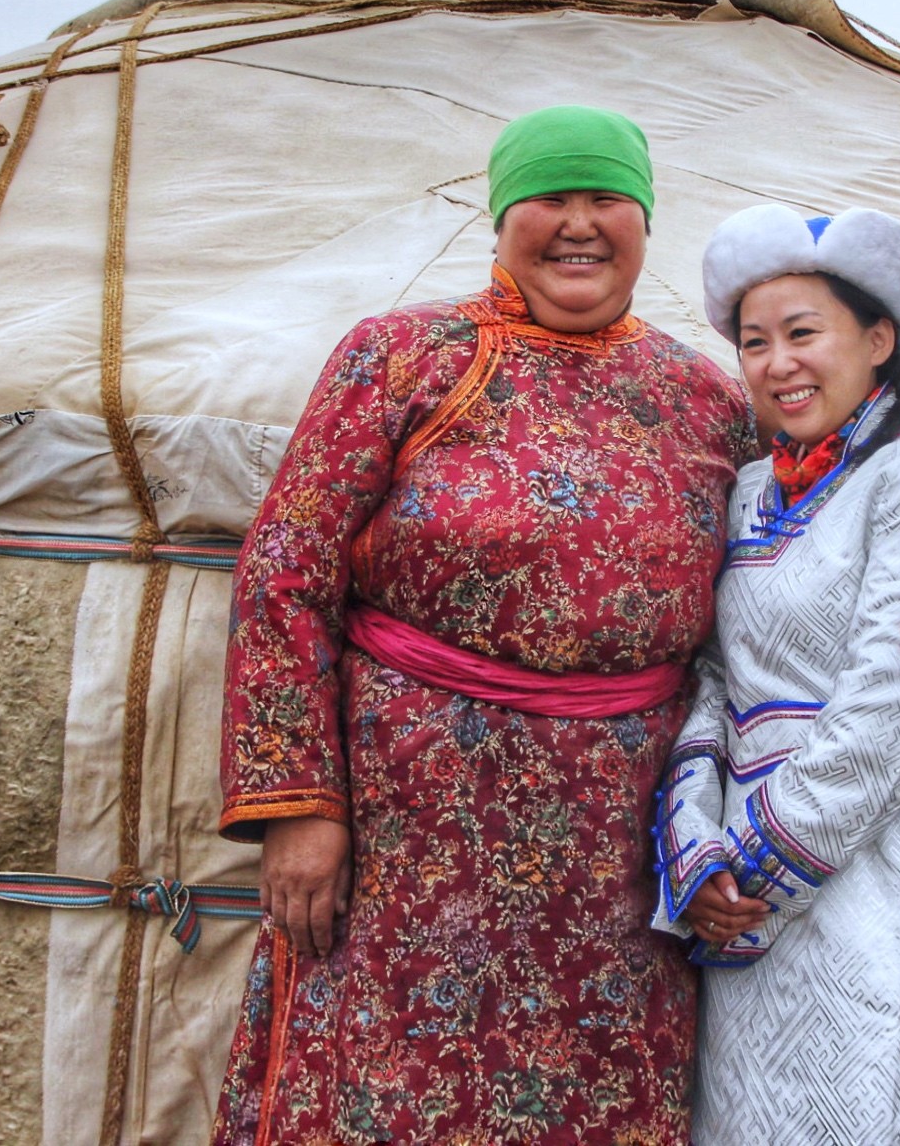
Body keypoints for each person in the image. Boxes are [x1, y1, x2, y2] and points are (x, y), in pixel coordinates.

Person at [209, 105, 757, 1146]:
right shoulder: (403, 355)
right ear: (501, 217)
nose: (579, 223)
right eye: (550, 197)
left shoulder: (706, 396)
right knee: (379, 1091)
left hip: (615, 852)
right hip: (407, 833)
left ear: (645, 220)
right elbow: (286, 572)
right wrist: (300, 805)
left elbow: (756, 618)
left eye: (607, 198)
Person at [652, 203, 900, 1145]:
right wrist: (695, 851)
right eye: (755, 343)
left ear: (878, 340)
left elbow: (892, 708)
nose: (778, 363)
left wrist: (750, 874)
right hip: (744, 899)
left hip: (887, 874)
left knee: (896, 1106)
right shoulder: (750, 490)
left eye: (803, 333)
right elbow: (713, 679)